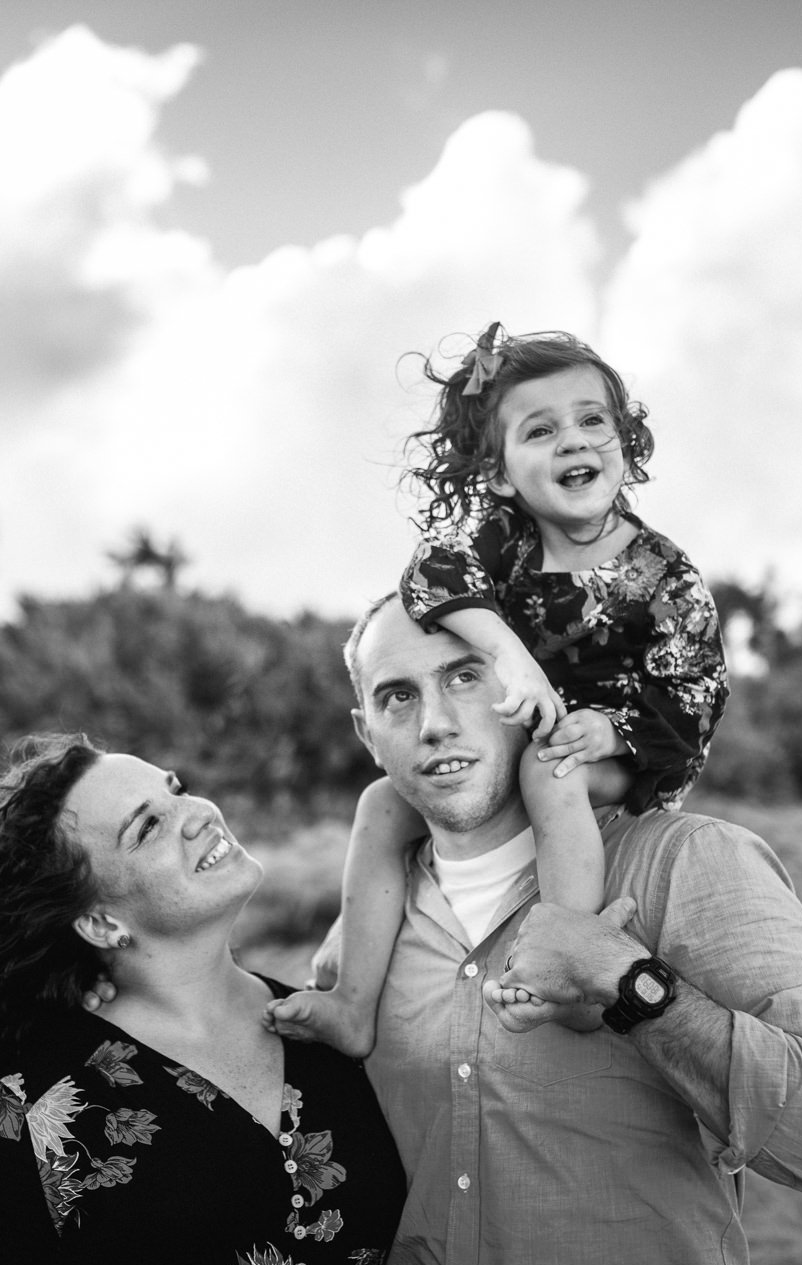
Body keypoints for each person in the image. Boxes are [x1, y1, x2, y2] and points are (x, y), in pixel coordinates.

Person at [330, 594, 802, 1265]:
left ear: (528, 683)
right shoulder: (366, 929)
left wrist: (631, 985)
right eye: (397, 697)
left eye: (464, 676)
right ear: (366, 733)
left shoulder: (688, 862)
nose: (435, 724)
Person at [269, 324, 729, 1056]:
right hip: (516, 729)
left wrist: (608, 732)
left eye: (592, 421)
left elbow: (695, 692)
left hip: (617, 748)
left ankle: (567, 965)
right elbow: (430, 576)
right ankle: (353, 1001)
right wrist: (507, 653)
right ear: (502, 475)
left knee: (552, 773)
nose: (572, 441)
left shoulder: (665, 575)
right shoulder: (503, 537)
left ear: (625, 443)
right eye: (540, 430)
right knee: (382, 804)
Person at [0, 733, 405, 1265]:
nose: (200, 813)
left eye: (178, 790)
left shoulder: (327, 1025)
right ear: (101, 922)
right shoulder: (36, 1113)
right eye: (148, 826)